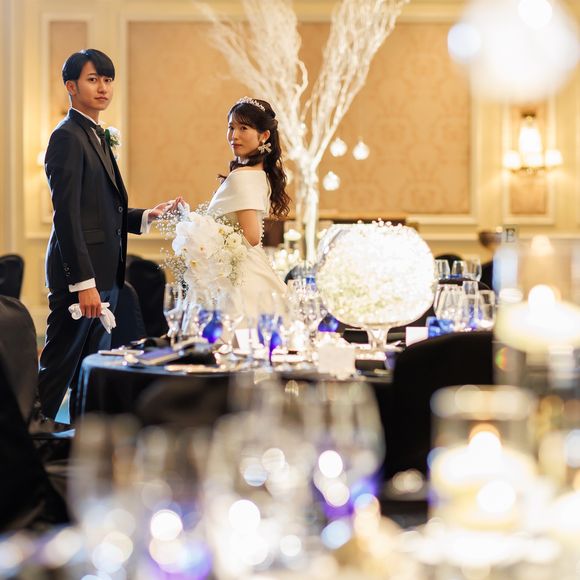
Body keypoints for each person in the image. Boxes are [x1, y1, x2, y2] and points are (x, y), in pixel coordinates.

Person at [37, 49, 182, 423]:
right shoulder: (67, 137)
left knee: (88, 372)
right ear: (71, 86)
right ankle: (25, 441)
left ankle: (77, 442)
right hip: (81, 279)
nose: (102, 87)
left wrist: (147, 216)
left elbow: (102, 211)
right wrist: (83, 283)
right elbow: (67, 216)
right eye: (92, 79)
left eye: (107, 80)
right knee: (58, 371)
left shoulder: (98, 135)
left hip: (105, 275)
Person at [205, 96, 291, 317]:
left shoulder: (243, 176)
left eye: (243, 128)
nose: (234, 136)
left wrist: (203, 241)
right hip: (246, 268)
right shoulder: (259, 174)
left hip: (239, 276)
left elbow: (251, 236)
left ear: (264, 135)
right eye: (231, 127)